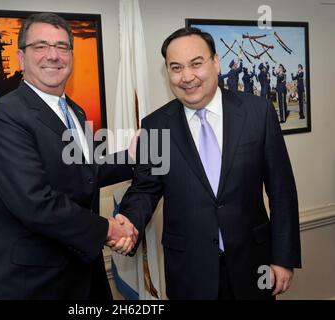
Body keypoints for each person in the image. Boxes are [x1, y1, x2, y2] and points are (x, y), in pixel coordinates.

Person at [118, 27, 301, 300]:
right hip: (189, 271)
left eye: (196, 64)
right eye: (176, 67)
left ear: (215, 62)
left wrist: (283, 257)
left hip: (254, 263)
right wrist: (129, 223)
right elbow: (145, 189)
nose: (187, 77)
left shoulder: (257, 112)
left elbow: (281, 191)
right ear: (167, 72)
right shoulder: (155, 126)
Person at [0, 13, 138, 300]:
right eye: (40, 46)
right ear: (21, 58)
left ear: (72, 56)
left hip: (83, 274)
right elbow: (35, 202)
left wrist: (134, 156)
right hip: (32, 284)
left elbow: (85, 172)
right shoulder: (3, 117)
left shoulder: (74, 112)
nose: (53, 55)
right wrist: (109, 228)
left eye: (62, 47)